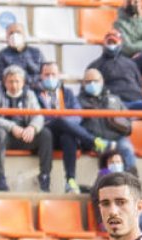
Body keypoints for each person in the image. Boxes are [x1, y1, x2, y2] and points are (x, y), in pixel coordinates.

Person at [34, 61, 116, 195]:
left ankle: (70, 181)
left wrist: (64, 121)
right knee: (59, 120)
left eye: (53, 74)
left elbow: (78, 115)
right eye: (46, 74)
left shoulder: (67, 93)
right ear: (41, 76)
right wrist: (59, 119)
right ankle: (95, 141)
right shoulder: (35, 94)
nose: (50, 78)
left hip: (64, 133)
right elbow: (38, 117)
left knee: (68, 136)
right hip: (45, 134)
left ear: (59, 75)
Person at [0, 65, 54, 192]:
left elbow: (38, 116)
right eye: (10, 81)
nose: (14, 85)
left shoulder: (29, 94)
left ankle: (45, 176)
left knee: (45, 134)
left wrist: (32, 128)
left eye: (17, 81)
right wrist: (12, 127)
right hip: (6, 136)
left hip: (25, 135)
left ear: (23, 82)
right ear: (4, 81)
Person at [78, 68, 138, 171]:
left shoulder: (114, 99)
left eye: (95, 81)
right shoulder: (78, 101)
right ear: (83, 83)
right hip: (96, 141)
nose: (92, 84)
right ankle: (107, 183)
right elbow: (77, 125)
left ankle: (131, 182)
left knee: (127, 149)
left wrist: (116, 121)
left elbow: (128, 119)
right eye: (88, 82)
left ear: (102, 81)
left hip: (118, 138)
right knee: (109, 158)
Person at [89, 30, 142, 106]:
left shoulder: (131, 64)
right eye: (109, 42)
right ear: (104, 44)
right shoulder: (95, 65)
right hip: (113, 104)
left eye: (114, 42)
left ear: (120, 44)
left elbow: (140, 84)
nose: (111, 45)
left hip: (136, 102)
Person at [0, 23, 45, 88]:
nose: (15, 35)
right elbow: (0, 80)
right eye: (11, 33)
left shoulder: (37, 53)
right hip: (13, 92)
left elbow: (44, 75)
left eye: (18, 32)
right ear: (6, 37)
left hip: (35, 90)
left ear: (24, 35)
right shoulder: (2, 55)